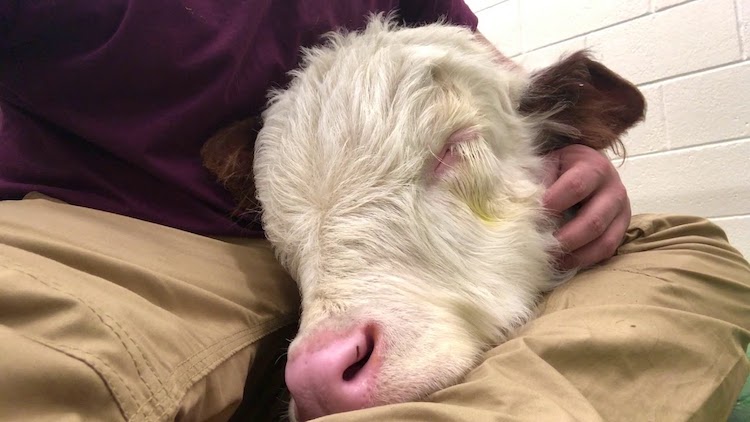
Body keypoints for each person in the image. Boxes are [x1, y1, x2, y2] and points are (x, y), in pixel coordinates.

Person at [0, 1, 747, 421]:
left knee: (687, 253)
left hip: (308, 238)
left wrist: (559, 152)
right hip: (93, 226)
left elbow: (470, 62)